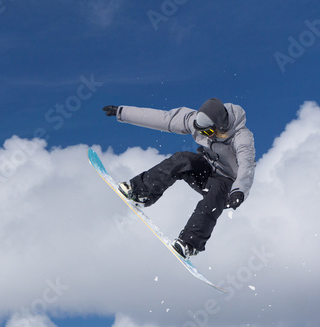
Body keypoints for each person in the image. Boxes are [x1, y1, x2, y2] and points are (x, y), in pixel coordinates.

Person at [102, 98, 256, 258]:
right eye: (202, 132)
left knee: (215, 195)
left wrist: (239, 191)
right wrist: (122, 112)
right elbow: (164, 119)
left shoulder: (242, 137)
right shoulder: (193, 120)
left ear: (221, 125)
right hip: (207, 172)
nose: (206, 137)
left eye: (209, 132)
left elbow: (247, 165)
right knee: (183, 159)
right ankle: (142, 191)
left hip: (227, 184)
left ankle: (190, 243)